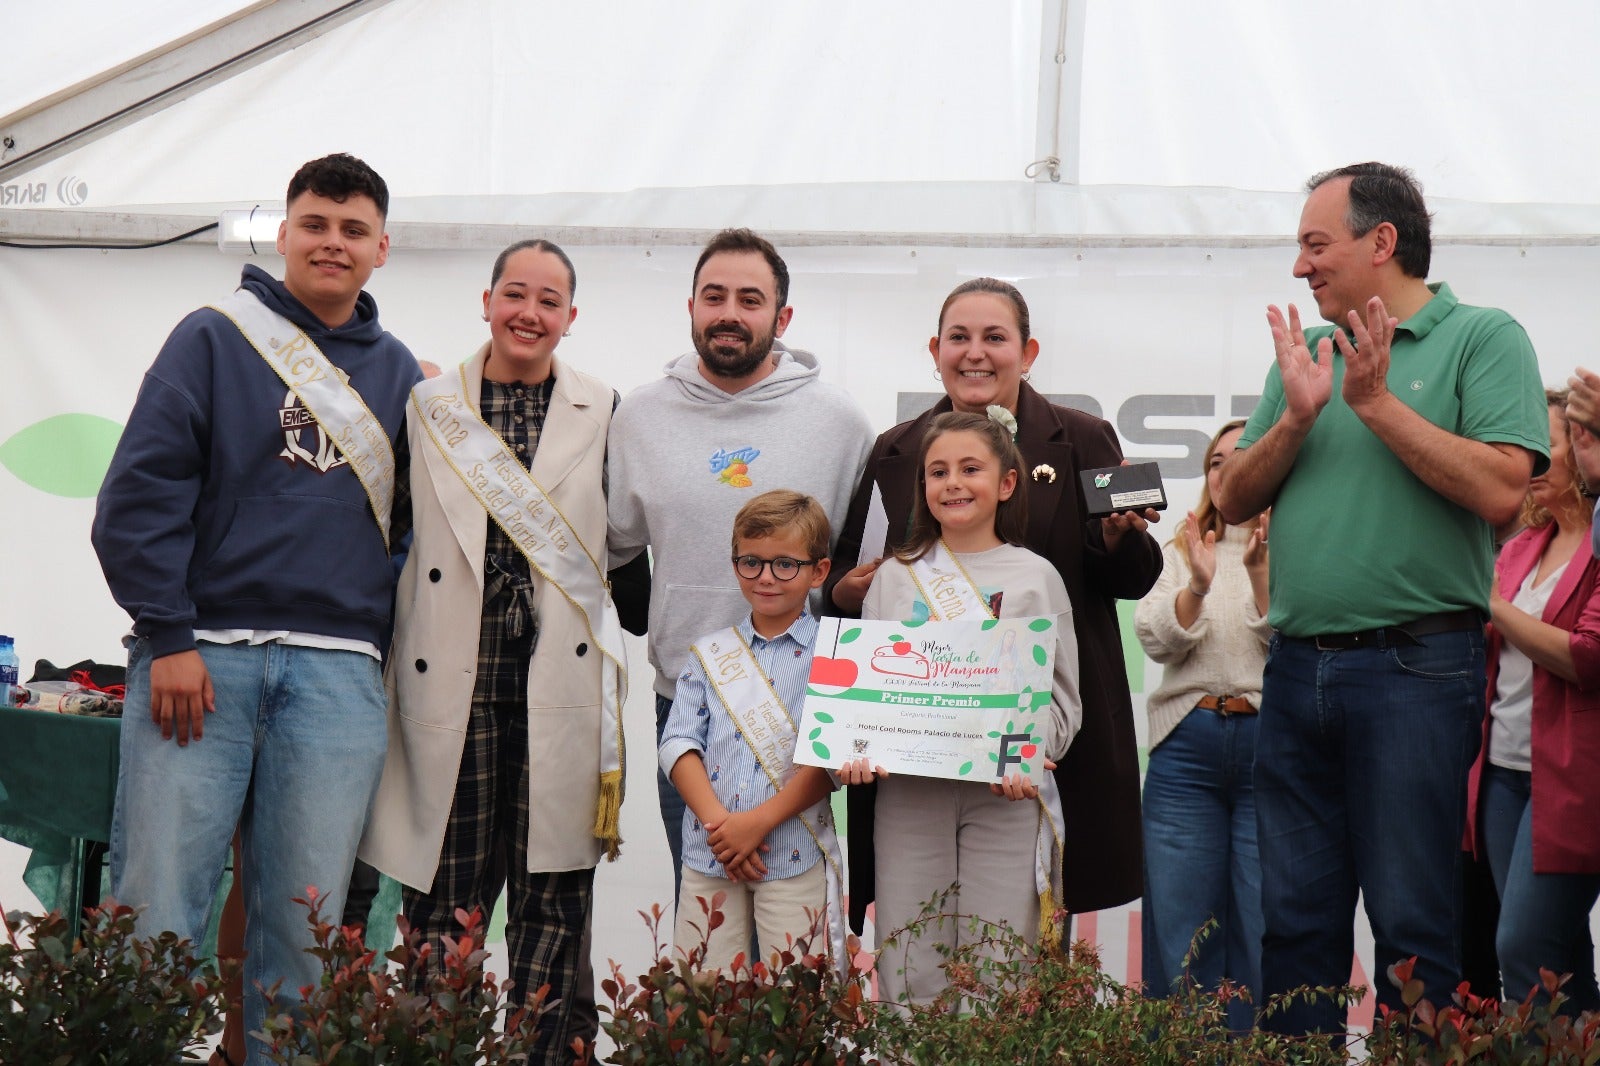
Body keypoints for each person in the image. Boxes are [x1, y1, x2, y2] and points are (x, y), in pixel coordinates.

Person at [91, 153, 420, 1065]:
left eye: (354, 229)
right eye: (315, 223)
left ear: (382, 249)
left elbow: (412, 539)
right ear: (284, 234)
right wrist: (169, 636)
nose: (332, 242)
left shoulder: (399, 374)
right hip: (204, 659)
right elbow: (138, 499)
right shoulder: (210, 337)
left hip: (337, 678)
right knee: (157, 910)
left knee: (303, 932)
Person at [1214, 161, 1549, 1034]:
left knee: (1411, 930)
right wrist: (1294, 419)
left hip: (1415, 671)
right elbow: (1232, 500)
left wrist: (1376, 406)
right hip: (1293, 672)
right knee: (1293, 930)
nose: (1300, 266)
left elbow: (1502, 491)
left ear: (1382, 242)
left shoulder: (1485, 336)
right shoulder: (1306, 357)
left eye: (1315, 244)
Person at [358, 240, 643, 1064]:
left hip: (559, 682)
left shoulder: (605, 406)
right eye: (515, 293)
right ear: (486, 301)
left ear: (570, 318)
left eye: (548, 300)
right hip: (451, 677)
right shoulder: (426, 402)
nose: (529, 312)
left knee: (553, 906)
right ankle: (431, 1051)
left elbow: (626, 540)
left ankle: (542, 1055)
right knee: (445, 901)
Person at [825, 277, 1160, 925]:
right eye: (959, 337)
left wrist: (1119, 540)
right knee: (913, 951)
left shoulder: (1082, 439)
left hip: (1034, 754)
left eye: (994, 338)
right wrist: (854, 587)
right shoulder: (896, 450)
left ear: (1027, 353)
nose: (975, 353)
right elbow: (841, 573)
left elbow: (1134, 577)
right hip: (917, 765)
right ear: (935, 349)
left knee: (1019, 956)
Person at [607, 228, 874, 906]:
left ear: (781, 318)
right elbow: (613, 546)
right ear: (691, 307)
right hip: (685, 706)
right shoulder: (638, 416)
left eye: (750, 299)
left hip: (801, 704)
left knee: (795, 926)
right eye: (714, 296)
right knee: (704, 922)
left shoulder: (839, 421)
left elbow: (863, 571)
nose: (730, 312)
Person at [840, 410, 1082, 1006]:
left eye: (970, 469)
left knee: (999, 965)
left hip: (1004, 800)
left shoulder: (1037, 577)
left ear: (1006, 483)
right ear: (921, 487)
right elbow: (866, 699)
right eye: (937, 471)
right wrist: (857, 751)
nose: (953, 483)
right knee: (909, 961)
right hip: (910, 796)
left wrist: (1030, 753)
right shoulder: (893, 579)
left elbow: (1062, 701)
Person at [658, 490, 843, 970]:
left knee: (793, 1002)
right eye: (752, 563)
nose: (766, 577)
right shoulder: (708, 652)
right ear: (735, 562)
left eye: (785, 564)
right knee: (704, 1000)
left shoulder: (836, 656)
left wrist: (754, 826)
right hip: (709, 854)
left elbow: (830, 760)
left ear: (818, 571)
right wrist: (724, 829)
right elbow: (678, 743)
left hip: (793, 850)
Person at [1464, 389, 1600, 1014]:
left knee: (1521, 948)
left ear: (1581, 449)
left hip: (1571, 779)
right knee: (1562, 954)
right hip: (1502, 777)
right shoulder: (1520, 546)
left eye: (1542, 454)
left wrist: (1486, 603)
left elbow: (1584, 657)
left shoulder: (1597, 549)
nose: (1529, 469)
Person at [1134, 419, 1269, 1031]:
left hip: (1272, 750)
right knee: (1181, 933)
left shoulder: (1301, 545)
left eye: (1244, 458)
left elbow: (1297, 642)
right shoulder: (1180, 548)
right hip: (1186, 750)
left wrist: (1263, 577)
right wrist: (1197, 582)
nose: (1227, 470)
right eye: (1217, 461)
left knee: (1265, 928)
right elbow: (1157, 638)